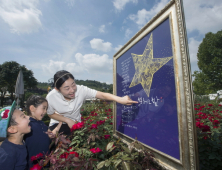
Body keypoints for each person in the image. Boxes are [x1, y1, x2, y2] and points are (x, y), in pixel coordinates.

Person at [47, 70, 138, 135]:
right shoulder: (51, 97)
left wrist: (120, 99)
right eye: (67, 88)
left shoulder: (81, 90)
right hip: (57, 124)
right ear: (57, 89)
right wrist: (67, 120)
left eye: (73, 84)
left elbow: (102, 95)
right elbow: (50, 114)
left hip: (76, 124)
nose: (72, 90)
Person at [24, 95, 62, 169]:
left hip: (44, 162)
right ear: (32, 108)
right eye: (43, 108)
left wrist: (60, 122)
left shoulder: (42, 123)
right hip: (32, 164)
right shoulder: (27, 124)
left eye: (46, 109)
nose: (45, 111)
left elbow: (51, 135)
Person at [0, 102, 31, 170]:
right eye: (23, 117)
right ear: (12, 129)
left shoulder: (21, 143)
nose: (28, 117)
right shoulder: (7, 154)